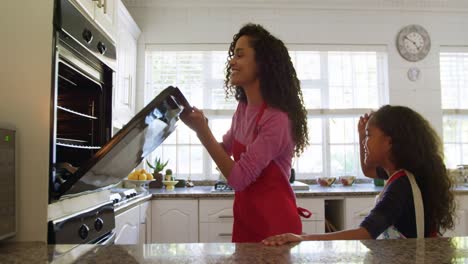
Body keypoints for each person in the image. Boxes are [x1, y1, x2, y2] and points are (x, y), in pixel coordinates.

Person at [181, 23, 310, 243]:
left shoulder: (276, 119)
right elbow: (224, 152)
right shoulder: (243, 109)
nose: (232, 61)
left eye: (240, 55)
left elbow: (238, 178)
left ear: (262, 64)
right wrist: (200, 126)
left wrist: (203, 131)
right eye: (233, 55)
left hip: (276, 229)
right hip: (246, 220)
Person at [263, 105, 456, 245]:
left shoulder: (401, 186)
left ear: (389, 142)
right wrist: (361, 135)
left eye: (369, 135)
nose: (365, 142)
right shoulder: (401, 175)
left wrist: (303, 239)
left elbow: (365, 232)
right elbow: (368, 170)